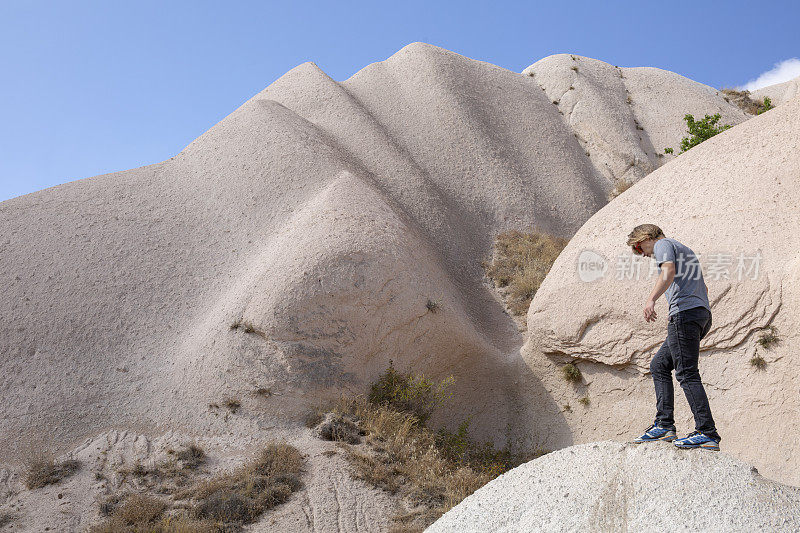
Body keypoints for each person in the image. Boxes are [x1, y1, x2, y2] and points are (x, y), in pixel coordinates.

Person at [626, 224, 721, 450]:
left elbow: (667, 272)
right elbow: (704, 288)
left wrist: (651, 299)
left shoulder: (663, 245)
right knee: (659, 365)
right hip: (699, 314)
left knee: (687, 374)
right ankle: (664, 425)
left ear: (647, 238)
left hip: (685, 315)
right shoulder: (683, 249)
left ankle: (706, 431)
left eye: (640, 248)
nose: (644, 254)